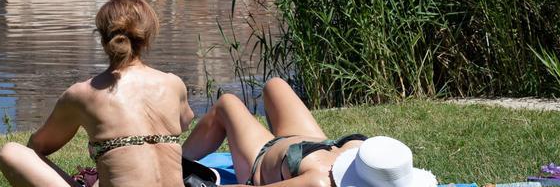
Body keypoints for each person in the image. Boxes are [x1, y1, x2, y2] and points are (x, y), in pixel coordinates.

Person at [0, 0, 195, 187]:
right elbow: (185, 122)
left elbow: (38, 147)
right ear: (147, 37)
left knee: (10, 152)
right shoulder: (172, 83)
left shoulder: (83, 94)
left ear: (102, 39)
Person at [182, 78, 437, 187]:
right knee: (275, 85)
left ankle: (173, 159)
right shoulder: (381, 160)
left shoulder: (317, 183)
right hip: (311, 145)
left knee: (227, 104)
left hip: (263, 160)